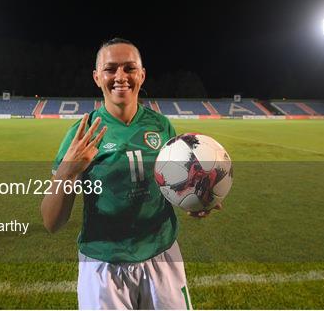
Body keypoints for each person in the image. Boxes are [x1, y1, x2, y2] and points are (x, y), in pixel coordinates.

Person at [41, 38, 220, 309]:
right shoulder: (82, 133)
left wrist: (196, 197)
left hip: (162, 257)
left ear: (142, 74)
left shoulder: (161, 127)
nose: (120, 76)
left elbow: (173, 185)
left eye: (129, 68)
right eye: (111, 69)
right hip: (103, 265)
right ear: (97, 77)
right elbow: (51, 222)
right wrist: (67, 170)